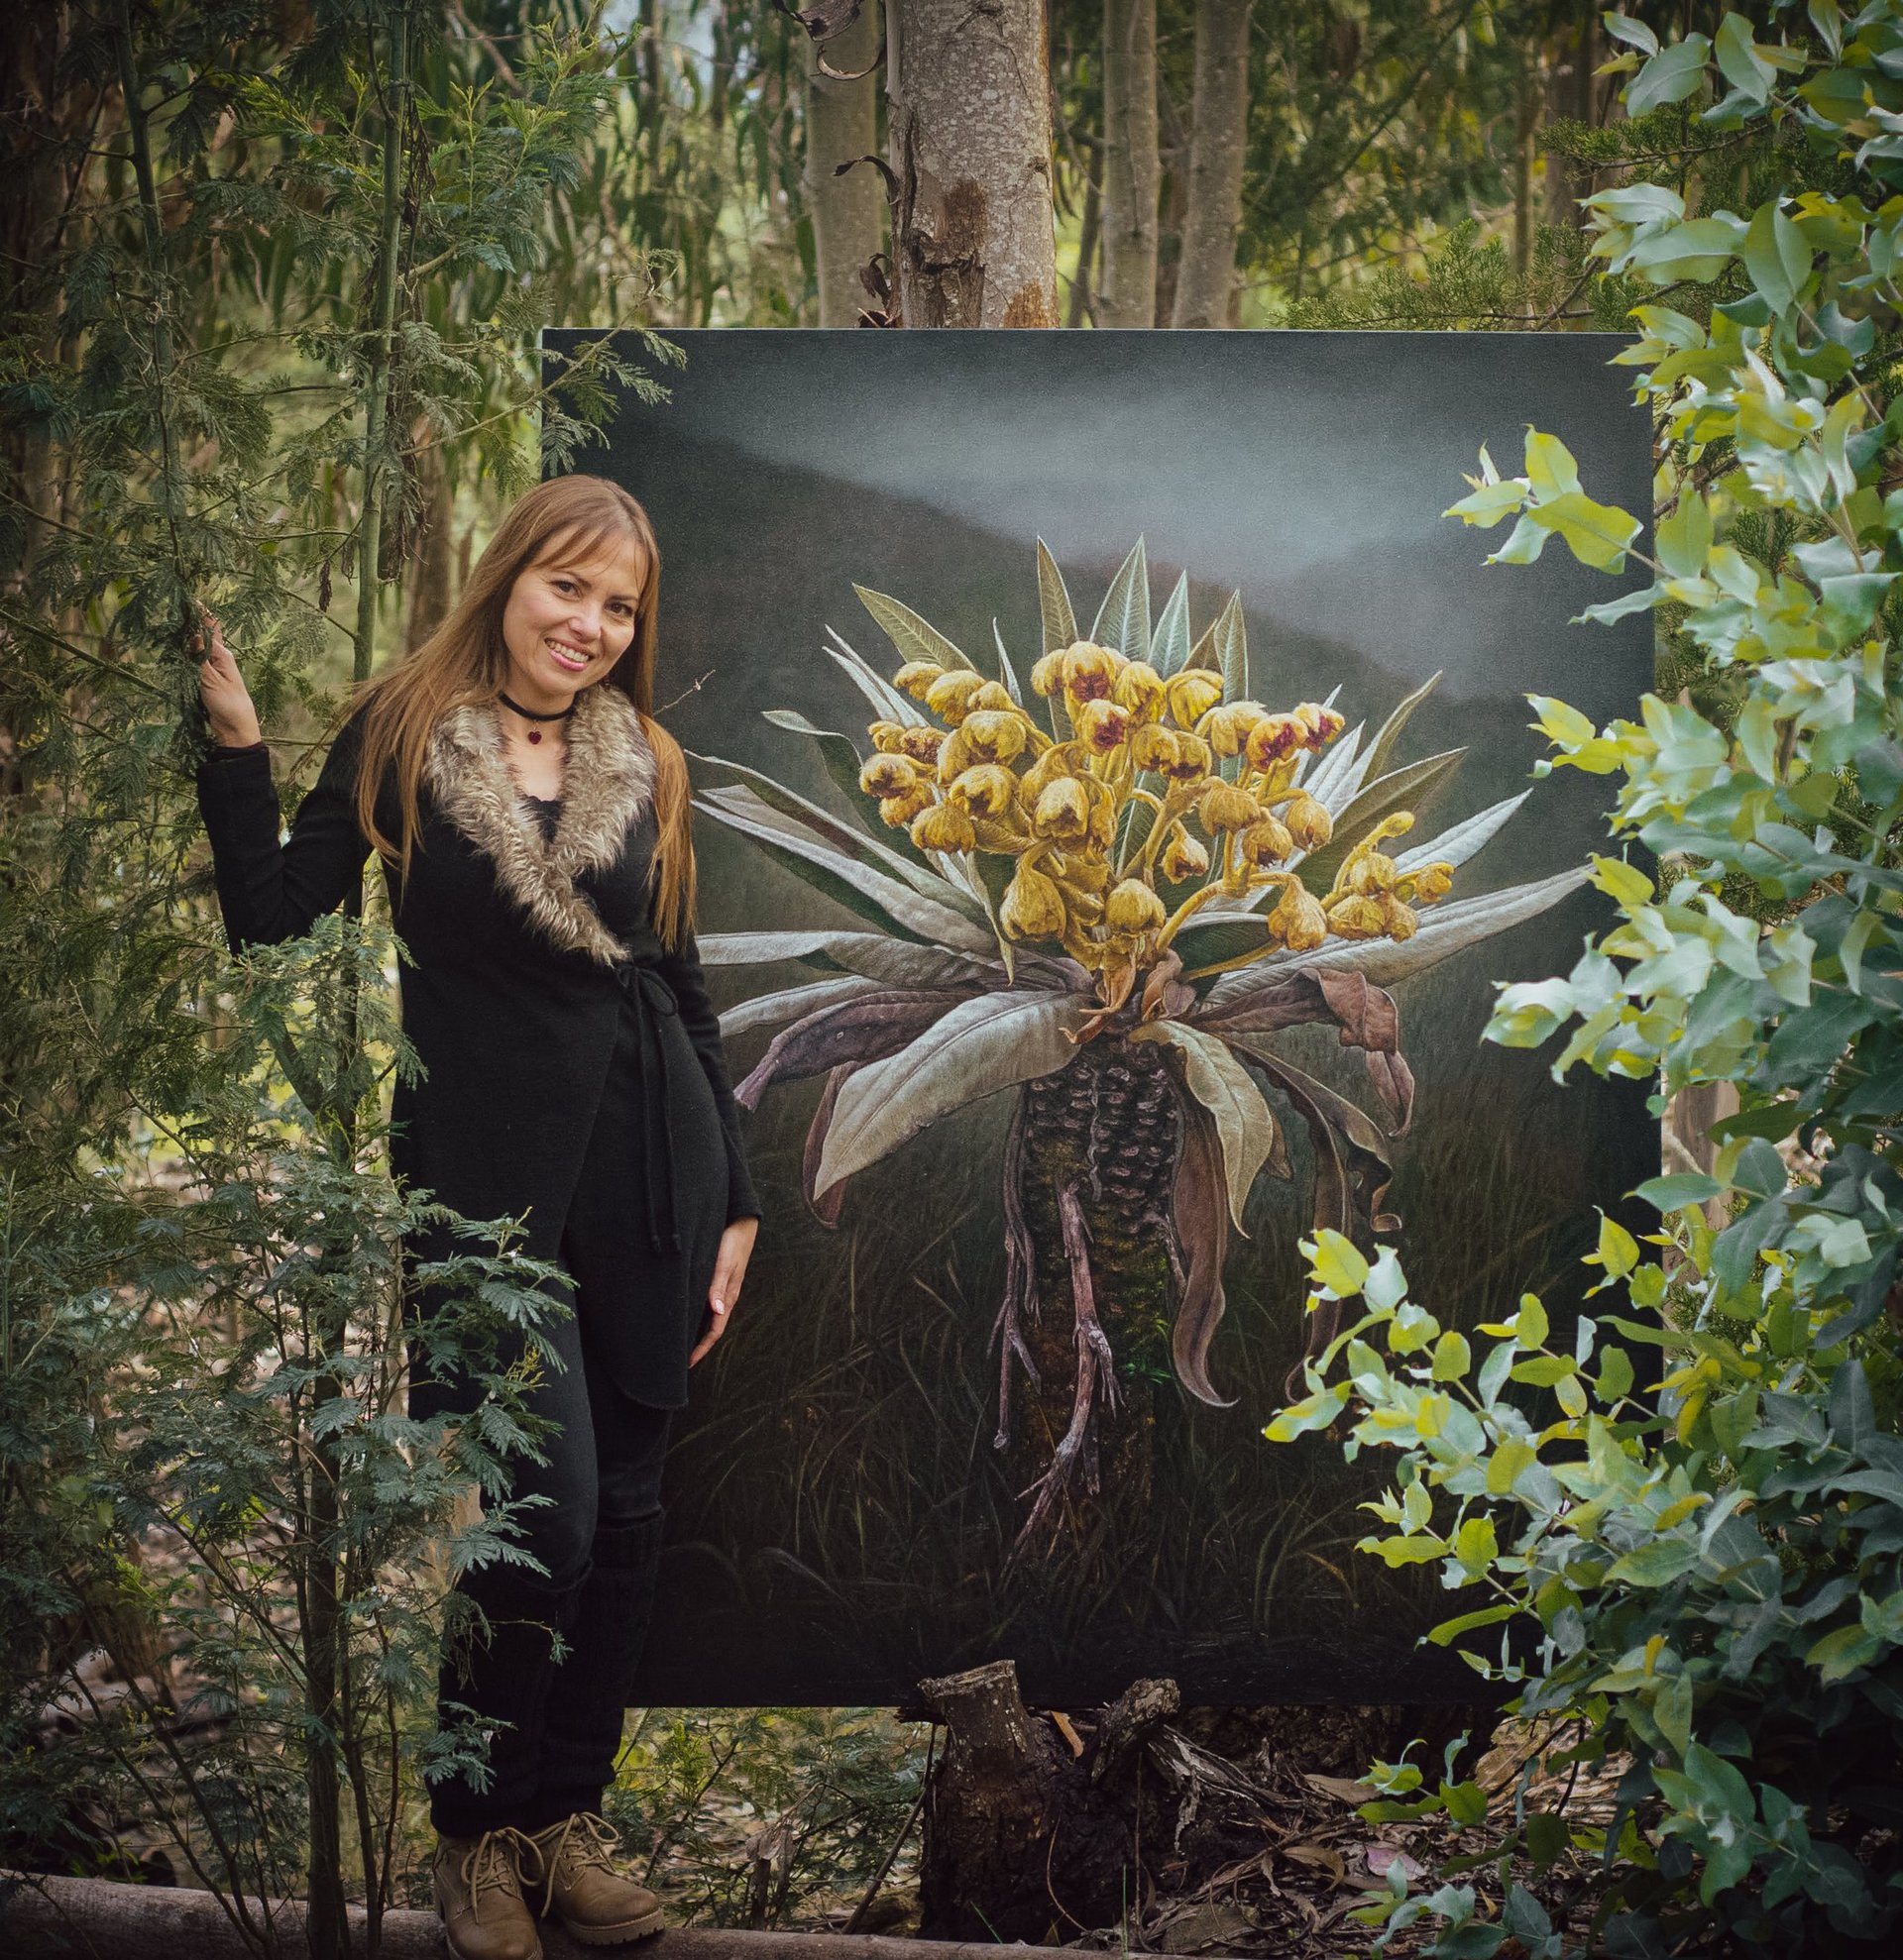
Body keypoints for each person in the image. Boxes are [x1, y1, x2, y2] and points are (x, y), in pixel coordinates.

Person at [193, 474, 760, 1960]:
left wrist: (738, 1201)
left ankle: (565, 1821)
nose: (590, 624)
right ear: (510, 576)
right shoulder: (399, 729)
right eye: (568, 587)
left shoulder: (649, 757)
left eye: (619, 604)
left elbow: (678, 979)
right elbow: (270, 905)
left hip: (651, 1167)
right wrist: (239, 750)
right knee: (536, 1518)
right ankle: (474, 1835)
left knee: (627, 1518)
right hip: (482, 1186)